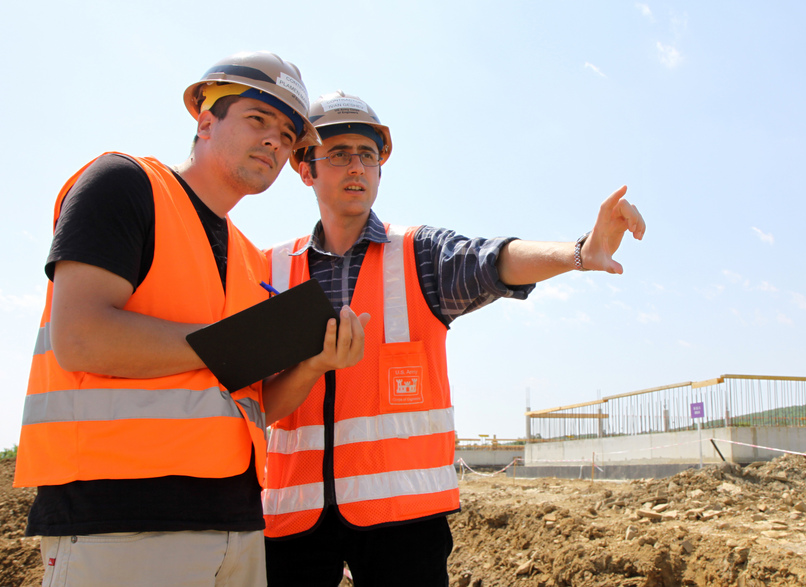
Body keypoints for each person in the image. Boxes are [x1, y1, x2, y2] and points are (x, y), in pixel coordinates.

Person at [262, 91, 646, 586]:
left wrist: (579, 251)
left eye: (368, 154)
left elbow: (493, 259)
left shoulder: (419, 255)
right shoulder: (270, 270)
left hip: (403, 519)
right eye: (338, 153)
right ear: (306, 169)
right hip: (294, 518)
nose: (356, 166)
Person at [13, 52, 369, 587]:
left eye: (289, 134)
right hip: (119, 521)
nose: (276, 140)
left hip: (237, 524)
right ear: (205, 120)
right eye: (258, 119)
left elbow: (252, 405)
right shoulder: (125, 184)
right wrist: (233, 343)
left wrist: (313, 364)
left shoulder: (249, 261)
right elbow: (81, 338)